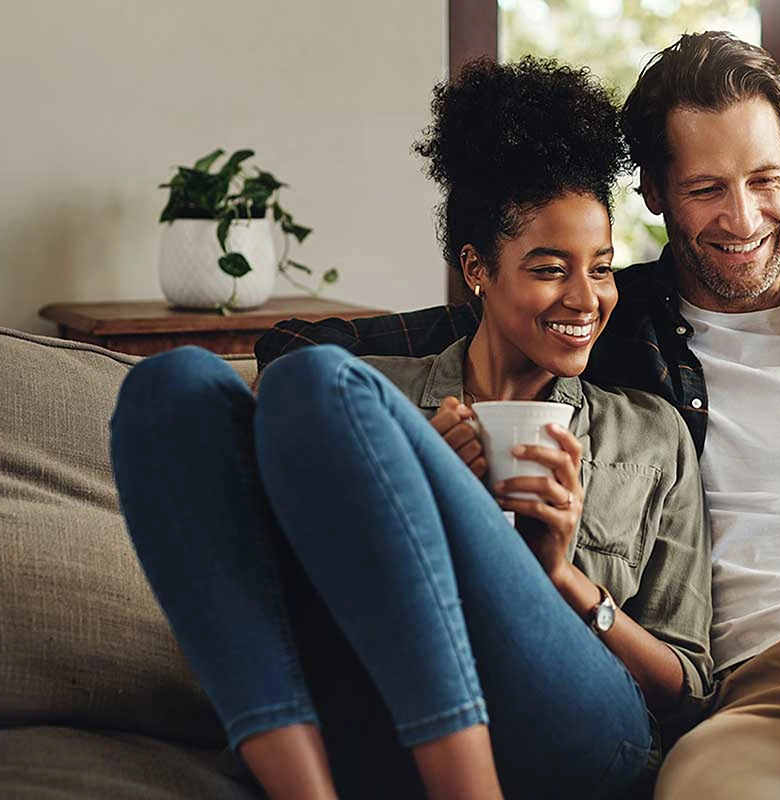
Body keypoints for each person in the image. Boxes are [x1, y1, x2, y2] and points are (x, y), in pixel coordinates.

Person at [255, 33, 780, 799]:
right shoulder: (599, 317)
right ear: (655, 195)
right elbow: (309, 353)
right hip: (748, 702)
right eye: (708, 188)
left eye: (765, 179)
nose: (743, 218)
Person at [110, 56, 713, 800]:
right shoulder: (370, 404)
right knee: (169, 386)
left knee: (315, 377)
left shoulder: (651, 436)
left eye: (601, 268)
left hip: (576, 727)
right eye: (549, 268)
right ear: (477, 268)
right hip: (374, 710)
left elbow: (688, 688)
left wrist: (562, 578)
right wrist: (422, 490)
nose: (586, 298)